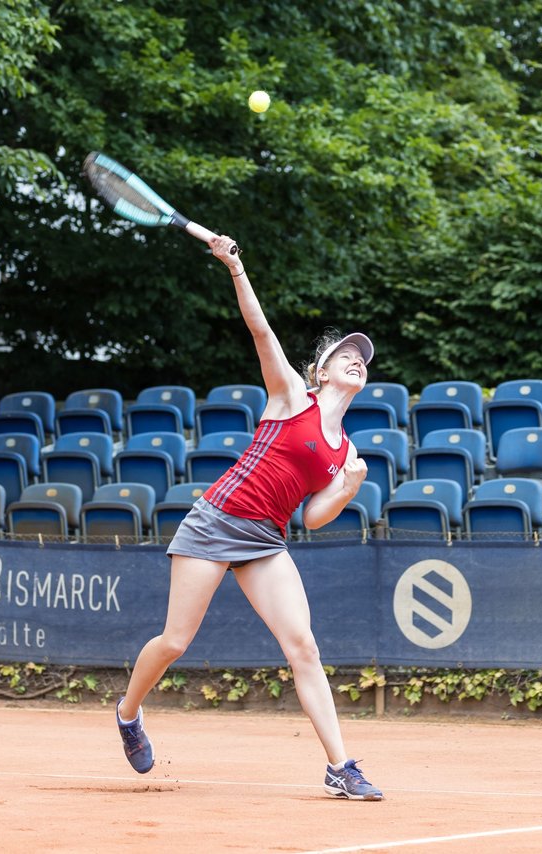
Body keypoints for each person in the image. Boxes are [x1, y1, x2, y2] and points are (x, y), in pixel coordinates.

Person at [115, 234, 383, 801]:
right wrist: (236, 268)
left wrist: (351, 485)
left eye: (362, 358)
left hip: (265, 538)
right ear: (321, 370)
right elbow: (261, 332)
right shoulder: (292, 397)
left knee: (304, 647)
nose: (356, 359)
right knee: (175, 642)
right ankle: (129, 712)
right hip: (216, 520)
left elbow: (313, 517)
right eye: (345, 354)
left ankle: (340, 766)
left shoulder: (345, 450)